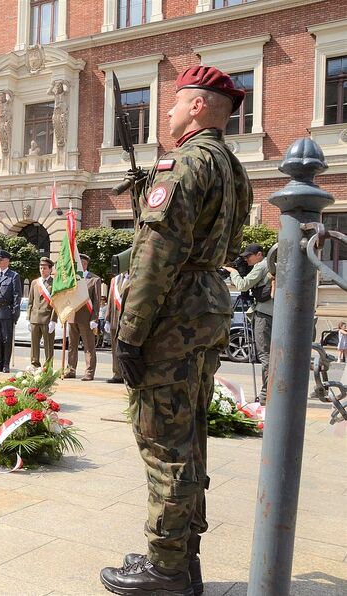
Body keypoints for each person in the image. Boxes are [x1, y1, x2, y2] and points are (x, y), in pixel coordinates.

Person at [100, 65, 252, 595]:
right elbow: (219, 243)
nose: (165, 112)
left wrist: (130, 333)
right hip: (207, 303)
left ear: (197, 106)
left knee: (163, 441)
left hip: (173, 312)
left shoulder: (184, 163)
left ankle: (165, 568)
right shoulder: (231, 166)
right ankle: (184, 560)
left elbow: (156, 255)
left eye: (173, 103)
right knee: (188, 435)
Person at [224, 243, 273, 403]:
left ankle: (266, 395)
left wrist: (233, 271)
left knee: (265, 355)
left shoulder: (261, 266)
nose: (246, 259)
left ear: (259, 254)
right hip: (274, 313)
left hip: (264, 315)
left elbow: (242, 285)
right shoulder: (273, 265)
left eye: (248, 256)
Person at [64, 254, 101, 381]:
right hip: (72, 316)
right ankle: (70, 369)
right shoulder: (71, 279)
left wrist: (94, 319)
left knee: (88, 346)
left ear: (86, 264)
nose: (81, 265)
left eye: (83, 263)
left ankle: (89, 372)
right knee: (72, 345)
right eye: (79, 262)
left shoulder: (94, 279)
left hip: (86, 318)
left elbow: (96, 301)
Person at [0, 249, 22, 373]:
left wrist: (15, 313)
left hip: (6, 311)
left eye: (1, 259)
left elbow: (17, 296)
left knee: (7, 339)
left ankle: (6, 363)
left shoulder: (13, 276)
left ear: (8, 261)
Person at [28, 257, 57, 369]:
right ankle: (34, 364)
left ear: (50, 269)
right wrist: (28, 317)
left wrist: (53, 320)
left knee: (48, 345)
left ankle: (48, 366)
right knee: (34, 345)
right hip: (35, 318)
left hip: (47, 318)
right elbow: (30, 301)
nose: (42, 270)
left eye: (45, 268)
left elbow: (55, 303)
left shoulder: (55, 283)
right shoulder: (35, 282)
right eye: (41, 268)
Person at [105, 270, 129, 384]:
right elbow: (110, 300)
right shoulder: (114, 280)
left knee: (125, 348)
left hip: (126, 320)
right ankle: (117, 373)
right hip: (114, 319)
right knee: (115, 349)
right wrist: (107, 319)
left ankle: (127, 374)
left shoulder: (133, 277)